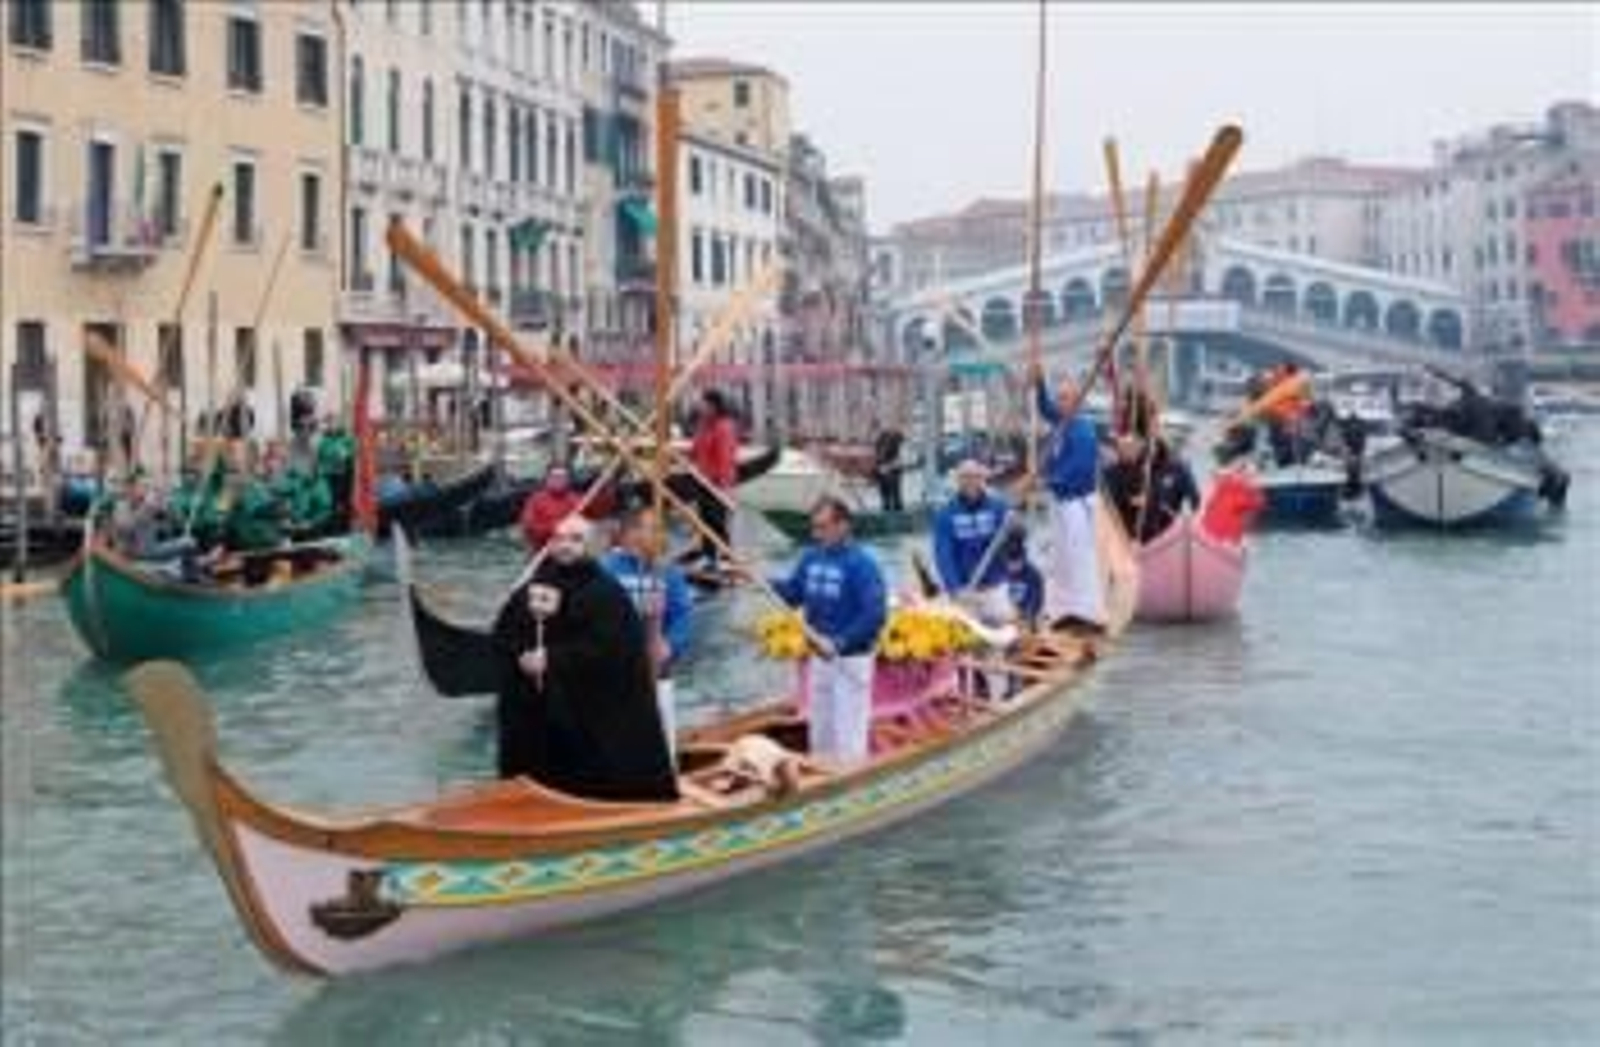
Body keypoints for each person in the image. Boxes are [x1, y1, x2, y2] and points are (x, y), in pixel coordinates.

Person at [490, 516, 679, 802]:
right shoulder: (536, 584)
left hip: (586, 712)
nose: (565, 545)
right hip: (540, 707)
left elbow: (610, 651)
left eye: (575, 539)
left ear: (589, 546)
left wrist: (553, 658)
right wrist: (522, 655)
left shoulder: (605, 592)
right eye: (560, 538)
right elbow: (505, 630)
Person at [770, 497, 887, 765]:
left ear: (843, 525)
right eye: (814, 527)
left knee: (848, 735)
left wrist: (840, 643)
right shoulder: (811, 557)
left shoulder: (862, 565)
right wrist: (759, 579)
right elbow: (793, 594)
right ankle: (820, 775)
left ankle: (852, 781)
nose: (816, 534)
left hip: (850, 660)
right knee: (820, 730)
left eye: (822, 527)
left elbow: (875, 614)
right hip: (819, 658)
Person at [600, 509, 693, 766]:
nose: (657, 536)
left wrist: (670, 645)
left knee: (661, 738)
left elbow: (683, 615)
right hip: (616, 672)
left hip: (657, 671)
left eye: (657, 530)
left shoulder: (668, 572)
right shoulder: (606, 568)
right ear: (631, 533)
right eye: (651, 529)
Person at [1031, 362, 1104, 634]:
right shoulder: (1062, 422)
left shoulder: (1082, 431)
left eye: (1066, 399)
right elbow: (1045, 408)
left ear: (1076, 402)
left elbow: (1079, 468)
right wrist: (1039, 384)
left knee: (1080, 557)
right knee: (1060, 558)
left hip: (1078, 504)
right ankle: (1063, 610)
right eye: (1059, 399)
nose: (1060, 404)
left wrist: (1046, 480)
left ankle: (1088, 614)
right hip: (1060, 502)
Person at [931, 458, 1011, 619]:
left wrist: (1017, 531)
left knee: (1006, 623)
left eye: (974, 476)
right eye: (965, 477)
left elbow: (1013, 545)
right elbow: (943, 555)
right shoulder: (945, 514)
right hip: (965, 590)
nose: (970, 482)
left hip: (995, 587)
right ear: (958, 481)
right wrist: (954, 589)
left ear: (982, 479)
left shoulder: (999, 508)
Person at [1104, 435, 1201, 544]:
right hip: (1133, 535)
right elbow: (1115, 499)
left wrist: (1187, 521)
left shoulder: (1178, 469)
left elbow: (1195, 501)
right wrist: (1130, 500)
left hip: (1166, 534)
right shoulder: (1127, 469)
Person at [689, 389, 739, 565]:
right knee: (705, 521)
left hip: (717, 483)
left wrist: (725, 489)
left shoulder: (725, 426)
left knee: (717, 522)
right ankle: (709, 557)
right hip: (703, 481)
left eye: (703, 403)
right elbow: (695, 450)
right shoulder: (703, 425)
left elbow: (726, 459)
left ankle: (726, 558)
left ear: (713, 406)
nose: (700, 406)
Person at [519, 464, 583, 552]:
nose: (558, 480)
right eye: (555, 477)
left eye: (562, 477)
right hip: (542, 551)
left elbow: (585, 526)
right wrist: (554, 527)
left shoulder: (577, 500)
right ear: (547, 479)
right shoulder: (535, 500)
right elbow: (529, 527)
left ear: (568, 480)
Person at [999, 529, 1044, 632]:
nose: (1012, 567)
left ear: (1023, 559)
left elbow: (1036, 598)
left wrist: (1029, 616)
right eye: (1009, 564)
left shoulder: (1032, 574)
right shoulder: (1007, 572)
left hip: (1029, 615)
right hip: (1016, 613)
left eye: (1016, 563)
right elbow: (1008, 594)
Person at [872, 426, 906, 513]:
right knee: (886, 492)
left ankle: (893, 506)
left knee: (894, 491)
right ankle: (889, 505)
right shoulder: (881, 440)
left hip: (892, 467)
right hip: (885, 467)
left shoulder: (895, 439)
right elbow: (878, 455)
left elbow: (900, 440)